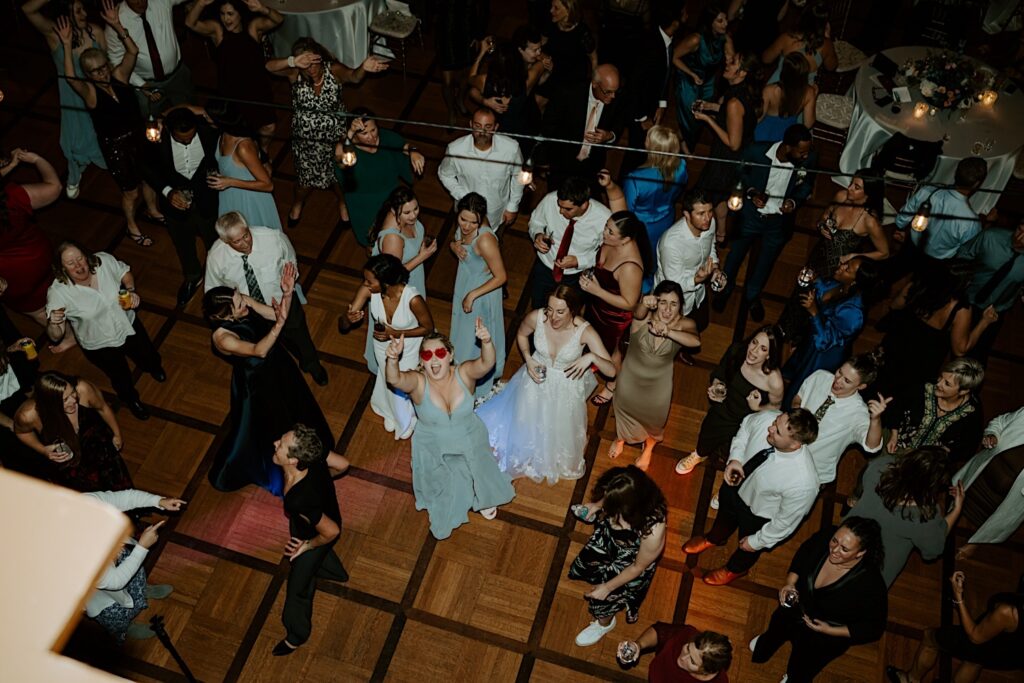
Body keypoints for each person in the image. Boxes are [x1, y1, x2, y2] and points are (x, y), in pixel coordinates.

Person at [202, 275, 335, 495]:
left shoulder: (239, 300)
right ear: (223, 315)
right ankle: (284, 464)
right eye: (238, 304)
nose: (244, 302)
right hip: (257, 383)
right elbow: (258, 350)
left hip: (279, 365)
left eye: (240, 297)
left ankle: (311, 447)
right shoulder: (222, 338)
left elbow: (274, 314)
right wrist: (280, 324)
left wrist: (288, 293)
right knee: (273, 424)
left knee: (297, 405)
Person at [384, 326, 516, 539]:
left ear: (450, 355)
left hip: (469, 435)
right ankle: (468, 489)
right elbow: (395, 379)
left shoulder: (464, 373)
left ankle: (480, 490)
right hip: (436, 444)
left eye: (440, 353)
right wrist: (392, 358)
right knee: (454, 481)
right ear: (421, 361)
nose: (434, 361)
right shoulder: (418, 382)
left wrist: (487, 341)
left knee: (481, 471)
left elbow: (486, 363)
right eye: (427, 355)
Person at [476, 285, 615, 483]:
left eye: (560, 312)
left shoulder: (585, 332)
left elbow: (611, 371)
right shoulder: (537, 317)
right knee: (526, 422)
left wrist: (592, 357)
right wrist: (527, 358)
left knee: (559, 427)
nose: (553, 317)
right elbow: (522, 334)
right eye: (550, 310)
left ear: (573, 310)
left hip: (565, 390)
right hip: (535, 381)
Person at [683, 408, 820, 586]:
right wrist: (736, 459)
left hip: (758, 514)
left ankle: (735, 569)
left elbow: (785, 522)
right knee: (723, 517)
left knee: (747, 550)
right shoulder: (766, 418)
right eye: (776, 422)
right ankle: (714, 538)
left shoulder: (804, 482)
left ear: (795, 444)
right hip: (734, 487)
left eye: (777, 431)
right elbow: (745, 428)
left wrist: (757, 541)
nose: (770, 428)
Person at [265, 37, 388, 228]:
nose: (311, 68)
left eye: (314, 61)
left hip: (335, 139)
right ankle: (298, 203)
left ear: (320, 57)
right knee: (304, 181)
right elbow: (268, 67)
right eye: (306, 64)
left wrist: (364, 67)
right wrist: (292, 61)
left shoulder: (333, 70)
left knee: (337, 177)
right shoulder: (294, 73)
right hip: (306, 141)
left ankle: (342, 203)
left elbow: (354, 77)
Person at [57, 10, 154, 247]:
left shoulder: (119, 76)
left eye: (103, 67)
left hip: (138, 137)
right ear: (88, 75)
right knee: (130, 192)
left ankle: (153, 209)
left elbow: (132, 51)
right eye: (95, 71)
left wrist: (118, 26)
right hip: (116, 147)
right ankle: (131, 226)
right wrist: (67, 45)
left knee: (150, 179)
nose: (102, 73)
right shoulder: (91, 93)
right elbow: (70, 78)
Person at [750, 518, 888, 682]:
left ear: (861, 553)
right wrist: (790, 583)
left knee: (804, 664)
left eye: (844, 549)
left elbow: (873, 627)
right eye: (835, 541)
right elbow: (803, 554)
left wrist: (829, 630)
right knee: (776, 629)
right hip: (795, 609)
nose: (834, 550)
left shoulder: (870, 584)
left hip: (824, 635)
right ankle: (766, 646)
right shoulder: (826, 536)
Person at [205, 212, 330, 386]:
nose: (246, 242)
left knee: (300, 337)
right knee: (268, 348)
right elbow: (213, 293)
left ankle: (312, 366)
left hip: (283, 301)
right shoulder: (216, 258)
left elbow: (291, 262)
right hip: (247, 313)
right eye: (237, 241)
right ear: (226, 241)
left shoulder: (273, 238)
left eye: (246, 235)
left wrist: (288, 288)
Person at [45, 242, 165, 420]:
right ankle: (132, 400)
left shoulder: (103, 260)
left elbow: (124, 272)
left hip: (128, 325)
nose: (78, 265)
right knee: (119, 376)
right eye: (70, 263)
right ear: (61, 268)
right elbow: (56, 336)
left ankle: (153, 367)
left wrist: (131, 290)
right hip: (100, 344)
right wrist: (54, 324)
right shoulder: (59, 292)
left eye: (80, 258)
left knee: (147, 354)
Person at [712, 124, 816, 321]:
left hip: (777, 222)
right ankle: (725, 290)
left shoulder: (807, 160)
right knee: (735, 256)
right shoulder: (757, 151)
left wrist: (794, 201)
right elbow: (739, 172)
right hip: (751, 216)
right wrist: (751, 192)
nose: (805, 156)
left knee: (766, 262)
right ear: (787, 147)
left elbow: (807, 185)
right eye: (801, 152)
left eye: (806, 152)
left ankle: (752, 295)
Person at [271, 425, 350, 656]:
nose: (275, 443)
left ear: (294, 460)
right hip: (312, 522)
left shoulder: (300, 499)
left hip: (317, 532)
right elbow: (343, 464)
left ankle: (297, 635)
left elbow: (331, 532)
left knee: (297, 589)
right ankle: (337, 574)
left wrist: (308, 545)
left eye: (281, 445)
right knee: (320, 556)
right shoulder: (314, 452)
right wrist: (324, 481)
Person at [568, 466, 667, 646]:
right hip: (607, 543)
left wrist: (607, 587)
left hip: (627, 565)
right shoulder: (628, 491)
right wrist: (596, 506)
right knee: (592, 569)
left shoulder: (653, 530)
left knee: (608, 599)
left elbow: (638, 567)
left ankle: (604, 623)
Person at [339, 254, 433, 440]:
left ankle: (406, 419)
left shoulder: (412, 299)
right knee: (388, 379)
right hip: (382, 347)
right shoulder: (368, 291)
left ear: (386, 282)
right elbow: (342, 325)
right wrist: (348, 320)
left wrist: (396, 333)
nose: (365, 284)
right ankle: (391, 411)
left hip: (408, 350)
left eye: (369, 281)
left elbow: (428, 328)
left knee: (403, 384)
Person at [609, 282, 701, 470]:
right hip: (630, 382)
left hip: (658, 387)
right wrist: (644, 302)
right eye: (663, 302)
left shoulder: (685, 324)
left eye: (673, 304)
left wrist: (668, 331)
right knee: (624, 412)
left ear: (681, 306)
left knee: (654, 422)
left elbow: (695, 341)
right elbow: (638, 313)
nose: (667, 309)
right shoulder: (644, 318)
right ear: (655, 302)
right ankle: (621, 439)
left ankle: (648, 448)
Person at [22, 0, 108, 197]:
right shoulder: (54, 35)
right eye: (78, 11)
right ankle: (75, 173)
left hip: (95, 93)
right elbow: (28, 9)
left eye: (84, 9)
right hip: (72, 98)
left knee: (102, 132)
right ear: (65, 14)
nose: (84, 13)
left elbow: (107, 63)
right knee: (75, 137)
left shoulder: (95, 31)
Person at [845, 447, 963, 587]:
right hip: (871, 571)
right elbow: (933, 549)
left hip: (846, 538)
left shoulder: (882, 464)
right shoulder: (924, 516)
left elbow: (863, 480)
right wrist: (957, 509)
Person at [675, 326, 784, 476]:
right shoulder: (736, 351)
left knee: (734, 454)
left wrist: (757, 407)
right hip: (724, 408)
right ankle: (699, 454)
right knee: (708, 432)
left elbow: (775, 408)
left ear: (769, 355)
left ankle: (728, 482)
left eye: (763, 348)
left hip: (745, 421)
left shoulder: (774, 381)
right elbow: (721, 371)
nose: (753, 350)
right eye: (754, 342)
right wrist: (716, 385)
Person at [872, 274, 994, 405]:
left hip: (893, 347)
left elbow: (895, 305)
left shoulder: (917, 285)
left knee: (876, 386)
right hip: (920, 363)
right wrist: (984, 322)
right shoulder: (960, 309)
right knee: (900, 400)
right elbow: (960, 349)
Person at [142, 107, 221, 306]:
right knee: (183, 243)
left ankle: (221, 277)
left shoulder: (209, 133)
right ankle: (193, 276)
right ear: (169, 131)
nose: (186, 142)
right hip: (174, 205)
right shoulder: (156, 139)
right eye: (180, 139)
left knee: (216, 242)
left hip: (207, 200)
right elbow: (145, 167)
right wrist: (168, 192)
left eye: (190, 137)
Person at [886, 571, 1024, 683]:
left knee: (930, 637)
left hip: (984, 638)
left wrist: (958, 597)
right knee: (975, 662)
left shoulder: (1008, 612)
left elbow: (975, 636)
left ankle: (911, 680)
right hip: (1012, 653)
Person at [782, 257, 883, 407]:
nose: (841, 266)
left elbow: (824, 341)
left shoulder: (854, 314)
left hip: (823, 354)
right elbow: (825, 289)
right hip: (813, 339)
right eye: (845, 263)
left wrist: (814, 311)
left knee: (800, 389)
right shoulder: (843, 284)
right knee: (791, 372)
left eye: (847, 268)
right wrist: (812, 280)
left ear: (855, 281)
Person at [83, 490, 183, 642]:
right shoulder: (78, 558)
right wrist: (142, 547)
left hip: (116, 557)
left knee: (135, 575)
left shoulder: (82, 504)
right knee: (115, 615)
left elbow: (123, 498)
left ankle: (142, 591)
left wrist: (158, 501)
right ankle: (126, 627)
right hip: (100, 595)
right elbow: (114, 582)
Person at [184, 0, 283, 152]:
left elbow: (279, 19)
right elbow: (190, 23)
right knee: (238, 131)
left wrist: (263, 8)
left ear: (240, 14)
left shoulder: (253, 28)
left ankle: (262, 151)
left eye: (230, 14)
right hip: (231, 91)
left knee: (268, 127)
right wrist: (201, 3)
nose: (226, 19)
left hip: (256, 88)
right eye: (222, 14)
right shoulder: (218, 31)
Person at [14, 372, 133, 491]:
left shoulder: (83, 389)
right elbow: (22, 432)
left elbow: (102, 407)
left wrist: (117, 434)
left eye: (72, 393)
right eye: (65, 399)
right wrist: (43, 450)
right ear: (49, 403)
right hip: (70, 466)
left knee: (120, 490)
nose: (73, 400)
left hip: (100, 451)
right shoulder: (29, 415)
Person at [580, 210, 651, 405]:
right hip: (596, 307)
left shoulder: (631, 267)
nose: (604, 233)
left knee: (614, 353)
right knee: (590, 340)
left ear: (626, 239)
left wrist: (597, 290)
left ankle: (613, 385)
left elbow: (630, 303)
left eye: (610, 232)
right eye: (606, 227)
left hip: (614, 319)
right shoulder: (612, 241)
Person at [691, 51, 763, 244]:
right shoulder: (742, 90)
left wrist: (707, 119)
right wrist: (710, 106)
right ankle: (721, 233)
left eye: (733, 63)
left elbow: (733, 143)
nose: (727, 63)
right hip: (737, 155)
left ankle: (699, 234)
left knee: (702, 196)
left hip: (727, 158)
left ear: (742, 73)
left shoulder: (733, 102)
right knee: (720, 196)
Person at [599, 126, 688, 266]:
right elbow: (679, 191)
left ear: (652, 148)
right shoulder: (682, 165)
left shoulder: (635, 179)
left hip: (642, 227)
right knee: (657, 256)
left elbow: (626, 210)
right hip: (666, 218)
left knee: (641, 258)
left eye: (648, 138)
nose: (645, 138)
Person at [791, 354, 886, 486]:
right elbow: (798, 397)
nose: (838, 380)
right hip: (784, 450)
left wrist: (875, 420)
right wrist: (798, 411)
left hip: (812, 472)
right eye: (839, 372)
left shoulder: (858, 412)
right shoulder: (820, 376)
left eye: (847, 381)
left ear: (861, 386)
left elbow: (872, 446)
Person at [335, 109, 425, 246]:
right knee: (371, 241)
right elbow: (340, 158)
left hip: (390, 197)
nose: (371, 136)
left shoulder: (386, 137)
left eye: (373, 130)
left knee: (399, 234)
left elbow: (403, 146)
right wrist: (350, 134)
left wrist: (413, 151)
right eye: (364, 133)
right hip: (363, 202)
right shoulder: (348, 148)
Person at [618, 1, 687, 176]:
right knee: (635, 154)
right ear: (675, 21)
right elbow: (634, 84)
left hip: (650, 107)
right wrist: (642, 118)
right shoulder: (649, 44)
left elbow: (664, 77)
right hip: (637, 110)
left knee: (641, 154)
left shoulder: (668, 40)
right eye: (684, 12)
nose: (688, 15)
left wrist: (662, 105)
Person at [449, 193, 506, 398]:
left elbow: (501, 277)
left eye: (473, 222)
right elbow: (457, 239)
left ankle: (474, 384)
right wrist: (454, 245)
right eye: (463, 219)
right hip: (465, 282)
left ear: (481, 219)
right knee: (462, 332)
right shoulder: (464, 228)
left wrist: (472, 295)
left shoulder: (485, 241)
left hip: (482, 292)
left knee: (471, 338)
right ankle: (462, 373)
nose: (466, 226)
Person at [526, 176, 611, 309]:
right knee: (538, 307)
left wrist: (579, 261)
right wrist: (537, 234)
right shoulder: (549, 200)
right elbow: (536, 222)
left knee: (568, 313)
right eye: (559, 206)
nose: (560, 211)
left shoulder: (604, 218)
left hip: (576, 277)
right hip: (544, 267)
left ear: (584, 205)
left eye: (567, 209)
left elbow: (608, 253)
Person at [0, 149, 62, 329]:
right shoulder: (12, 197)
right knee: (59, 290)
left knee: (37, 311)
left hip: (12, 277)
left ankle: (66, 337)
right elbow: (54, 186)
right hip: (39, 256)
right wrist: (37, 159)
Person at [437, 106, 524, 233]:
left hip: (497, 212)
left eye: (488, 127)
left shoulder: (511, 148)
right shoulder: (455, 149)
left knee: (494, 242)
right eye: (478, 126)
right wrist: (463, 196)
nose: (482, 131)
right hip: (466, 215)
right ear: (471, 125)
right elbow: (445, 174)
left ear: (495, 127)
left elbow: (518, 177)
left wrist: (513, 206)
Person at [953, 406, 1024, 559]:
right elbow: (999, 422)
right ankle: (951, 514)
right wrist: (993, 434)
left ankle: (976, 542)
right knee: (957, 496)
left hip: (1007, 500)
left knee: (995, 523)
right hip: (980, 477)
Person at [539, 64, 627, 188]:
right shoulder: (569, 93)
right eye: (608, 92)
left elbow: (618, 127)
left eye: (615, 91)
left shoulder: (618, 100)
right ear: (595, 84)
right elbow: (548, 126)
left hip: (592, 168)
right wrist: (544, 160)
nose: (613, 96)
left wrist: (609, 136)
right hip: (562, 164)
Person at [884, 358, 986, 465]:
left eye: (947, 383)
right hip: (895, 445)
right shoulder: (924, 388)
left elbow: (967, 448)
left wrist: (938, 456)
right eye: (941, 377)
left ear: (964, 391)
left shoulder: (972, 413)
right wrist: (894, 434)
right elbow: (896, 406)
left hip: (927, 464)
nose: (938, 383)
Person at [105, 0, 196, 116]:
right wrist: (140, 83)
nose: (141, 3)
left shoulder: (159, 2)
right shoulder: (116, 20)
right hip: (146, 85)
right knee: (151, 122)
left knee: (189, 114)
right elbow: (116, 60)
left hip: (177, 75)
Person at [954, 216, 1024, 363]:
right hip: (966, 299)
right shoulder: (991, 236)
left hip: (995, 311)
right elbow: (962, 256)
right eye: (1020, 230)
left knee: (977, 358)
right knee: (953, 346)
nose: (1020, 238)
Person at [652, 190, 723, 332]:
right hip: (675, 303)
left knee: (701, 324)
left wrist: (715, 269)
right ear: (686, 215)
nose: (707, 218)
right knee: (674, 336)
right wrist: (696, 279)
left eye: (709, 211)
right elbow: (673, 286)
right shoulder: (671, 244)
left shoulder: (710, 223)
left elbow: (711, 247)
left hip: (699, 294)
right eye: (701, 214)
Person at [467, 27, 548, 151]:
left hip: (498, 133)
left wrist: (481, 52)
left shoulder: (485, 81)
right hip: (523, 131)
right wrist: (539, 55)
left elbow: (470, 79)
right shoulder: (527, 81)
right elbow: (543, 62)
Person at [896, 156, 989, 261]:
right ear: (977, 184)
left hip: (911, 246)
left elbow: (901, 219)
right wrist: (987, 224)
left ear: (955, 173)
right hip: (936, 262)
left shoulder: (927, 191)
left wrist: (901, 228)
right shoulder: (971, 222)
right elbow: (967, 253)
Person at [208, 103, 281, 230]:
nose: (205, 117)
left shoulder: (243, 147)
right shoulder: (223, 134)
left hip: (250, 199)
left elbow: (268, 185)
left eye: (208, 116)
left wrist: (230, 181)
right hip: (229, 195)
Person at [672, 3, 731, 149]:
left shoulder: (725, 38)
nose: (726, 24)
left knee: (700, 115)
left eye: (726, 19)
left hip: (708, 81)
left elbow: (732, 57)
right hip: (688, 78)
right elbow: (674, 57)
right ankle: (675, 142)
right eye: (720, 21)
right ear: (710, 22)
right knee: (690, 115)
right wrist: (691, 74)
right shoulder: (696, 39)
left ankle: (684, 140)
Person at [369, 186, 433, 299]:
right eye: (407, 212)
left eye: (416, 208)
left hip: (413, 276)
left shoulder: (404, 217)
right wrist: (422, 256)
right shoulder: (392, 238)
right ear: (394, 211)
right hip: (400, 289)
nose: (413, 215)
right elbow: (392, 274)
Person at [434, 0, 488, 126]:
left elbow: (483, 8)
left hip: (468, 33)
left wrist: (479, 36)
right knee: (447, 81)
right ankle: (451, 110)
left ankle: (460, 100)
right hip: (446, 32)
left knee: (467, 75)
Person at [616, 625, 732, 682]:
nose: (682, 658)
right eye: (687, 648)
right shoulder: (686, 634)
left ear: (707, 671)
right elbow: (660, 631)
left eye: (692, 661)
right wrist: (638, 645)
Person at [535, 0, 597, 105]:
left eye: (556, 8)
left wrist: (595, 80)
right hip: (552, 71)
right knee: (537, 101)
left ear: (568, 11)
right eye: (551, 6)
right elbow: (539, 47)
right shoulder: (550, 23)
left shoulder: (582, 32)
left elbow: (593, 58)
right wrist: (542, 57)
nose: (551, 10)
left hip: (572, 77)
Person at [761, 2, 837, 86]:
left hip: (777, 86)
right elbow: (831, 67)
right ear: (825, 24)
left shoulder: (786, 38)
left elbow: (766, 59)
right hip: (803, 94)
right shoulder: (826, 45)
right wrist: (828, 38)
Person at [753, 51, 816, 142]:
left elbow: (758, 118)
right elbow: (808, 124)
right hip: (787, 135)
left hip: (763, 133)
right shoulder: (809, 92)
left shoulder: (770, 90)